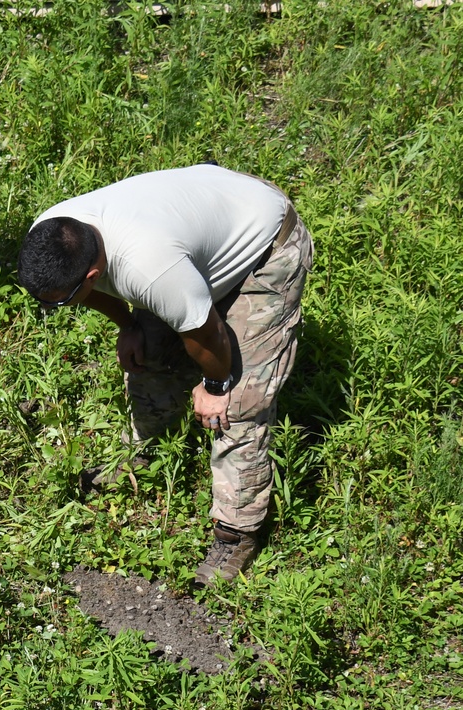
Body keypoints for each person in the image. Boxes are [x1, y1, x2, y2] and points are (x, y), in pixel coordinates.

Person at [17, 165, 314, 584]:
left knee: (240, 402)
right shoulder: (53, 235)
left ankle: (237, 532)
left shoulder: (152, 270)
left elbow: (210, 336)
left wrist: (215, 385)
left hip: (265, 244)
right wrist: (128, 326)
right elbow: (88, 295)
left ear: (91, 276)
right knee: (150, 352)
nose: (55, 310)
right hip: (203, 225)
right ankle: (142, 452)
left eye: (60, 302)